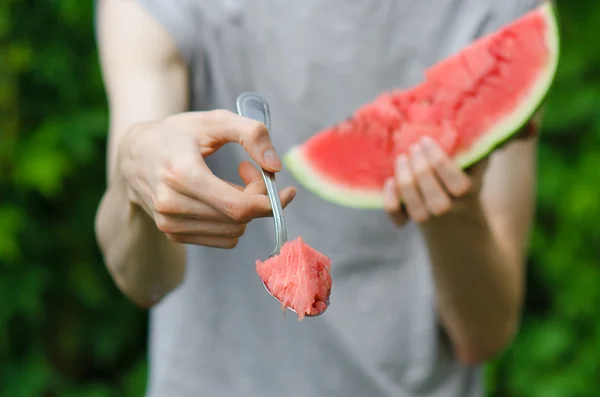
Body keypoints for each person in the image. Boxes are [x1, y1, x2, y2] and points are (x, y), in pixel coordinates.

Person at [94, 1, 542, 396]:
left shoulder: (497, 11)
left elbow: (485, 335)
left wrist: (453, 211)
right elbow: (143, 280)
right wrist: (136, 179)